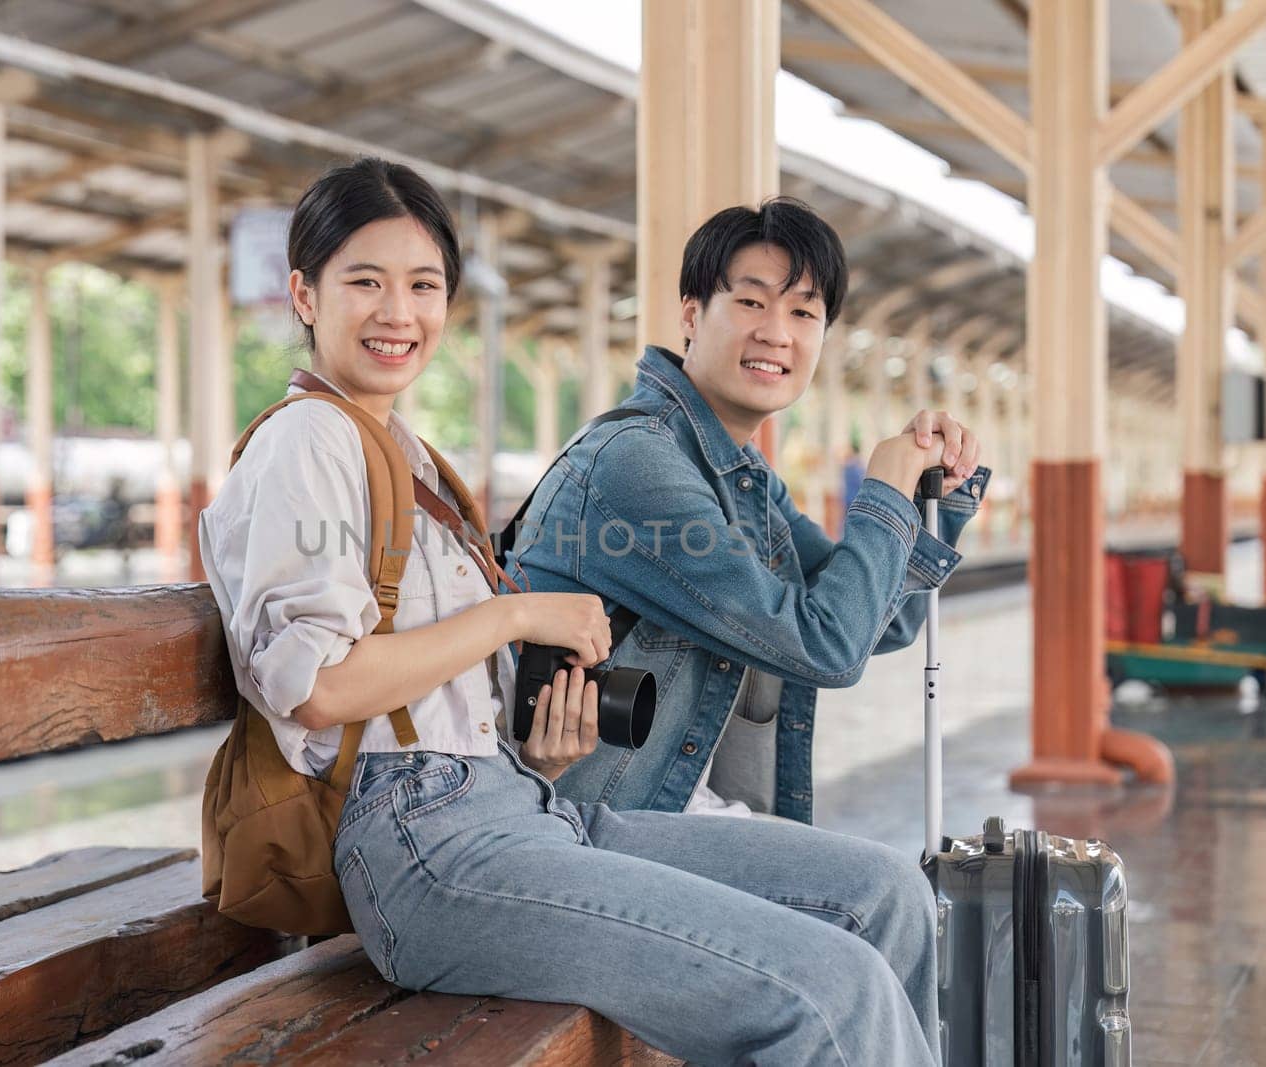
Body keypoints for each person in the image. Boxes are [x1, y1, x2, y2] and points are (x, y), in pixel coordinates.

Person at [198, 157, 941, 1065]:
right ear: (305, 296)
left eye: (424, 285)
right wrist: (517, 618)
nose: (399, 312)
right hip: (424, 846)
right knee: (834, 986)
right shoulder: (305, 441)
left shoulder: (409, 458)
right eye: (366, 282)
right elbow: (315, 686)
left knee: (885, 891)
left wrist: (542, 745)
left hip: (519, 805)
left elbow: (868, 621)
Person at [503, 199, 988, 825]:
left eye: (804, 311)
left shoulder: (745, 476)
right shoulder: (637, 464)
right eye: (752, 302)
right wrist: (886, 493)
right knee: (883, 892)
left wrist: (933, 499)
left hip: (671, 808)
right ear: (691, 314)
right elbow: (826, 648)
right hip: (587, 819)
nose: (777, 332)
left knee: (876, 887)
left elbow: (880, 626)